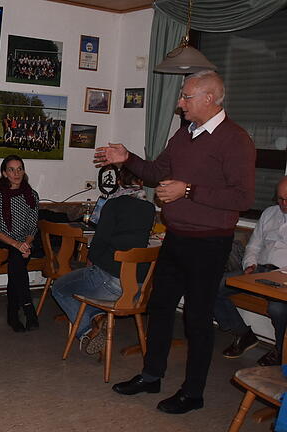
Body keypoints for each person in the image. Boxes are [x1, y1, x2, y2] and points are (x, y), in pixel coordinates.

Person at [95, 70, 255, 414]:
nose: (179, 103)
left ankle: (192, 393)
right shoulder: (184, 136)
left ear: (209, 99)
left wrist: (188, 190)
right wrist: (128, 159)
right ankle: (151, 375)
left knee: (197, 318)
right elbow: (155, 172)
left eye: (186, 97)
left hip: (210, 243)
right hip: (176, 237)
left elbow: (242, 197)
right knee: (160, 308)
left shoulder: (235, 139)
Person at [51, 167, 154, 354]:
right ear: (141, 182)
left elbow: (99, 242)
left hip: (112, 284)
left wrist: (92, 260)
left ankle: (89, 329)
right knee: (86, 282)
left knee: (59, 288)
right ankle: (97, 318)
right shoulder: (149, 207)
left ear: (119, 182)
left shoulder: (113, 205)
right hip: (139, 288)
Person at [214, 176, 287, 367]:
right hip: (259, 271)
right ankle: (243, 334)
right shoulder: (269, 213)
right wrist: (250, 264)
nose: (283, 204)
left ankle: (281, 350)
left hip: (283, 277)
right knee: (212, 285)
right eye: (280, 199)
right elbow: (254, 246)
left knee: (278, 308)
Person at [0, 155, 40, 332]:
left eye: (20, 169)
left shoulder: (31, 195)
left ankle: (13, 313)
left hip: (25, 243)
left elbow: (33, 227)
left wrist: (26, 244)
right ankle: (27, 308)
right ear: (4, 173)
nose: (16, 173)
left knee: (16, 261)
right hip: (0, 241)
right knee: (17, 257)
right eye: (11, 169)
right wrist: (17, 245)